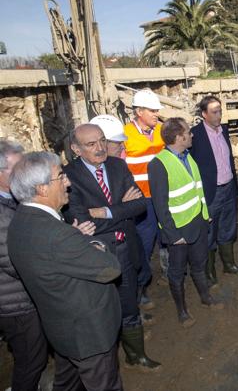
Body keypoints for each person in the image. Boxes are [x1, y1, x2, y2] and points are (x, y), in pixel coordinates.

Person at [8, 151, 123, 391]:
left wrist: (76, 240)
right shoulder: (57, 235)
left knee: (67, 384)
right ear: (42, 188)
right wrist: (93, 243)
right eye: (61, 177)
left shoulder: (21, 221)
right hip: (88, 334)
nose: (67, 182)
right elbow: (110, 268)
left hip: (61, 329)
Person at [63, 124, 161, 372]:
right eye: (91, 144)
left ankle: (136, 356)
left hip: (125, 248)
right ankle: (105, 362)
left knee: (129, 304)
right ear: (75, 149)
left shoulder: (117, 165)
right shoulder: (68, 176)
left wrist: (104, 211)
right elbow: (81, 220)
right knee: (102, 312)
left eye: (102, 140)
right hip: (95, 256)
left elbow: (140, 205)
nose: (100, 148)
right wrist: (119, 208)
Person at [148, 117, 217, 328]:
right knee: (177, 273)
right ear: (179, 137)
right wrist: (173, 235)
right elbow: (160, 206)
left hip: (197, 224)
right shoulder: (159, 164)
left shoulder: (187, 156)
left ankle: (206, 298)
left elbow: (197, 190)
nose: (192, 134)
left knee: (199, 265)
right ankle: (182, 312)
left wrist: (205, 215)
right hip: (178, 233)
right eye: (188, 131)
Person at [0, 140, 48, 391]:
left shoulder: (13, 198)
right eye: (17, 168)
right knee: (31, 360)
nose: (23, 174)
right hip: (15, 303)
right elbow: (13, 260)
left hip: (24, 295)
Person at [190, 96, 238, 286]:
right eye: (214, 111)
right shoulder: (194, 135)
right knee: (209, 233)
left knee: (228, 228)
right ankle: (209, 272)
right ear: (204, 114)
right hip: (210, 193)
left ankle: (229, 264)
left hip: (228, 188)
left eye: (220, 110)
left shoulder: (225, 131)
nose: (219, 115)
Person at [124, 89, 166, 310]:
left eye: (157, 110)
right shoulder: (125, 135)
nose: (156, 114)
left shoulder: (161, 130)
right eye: (152, 110)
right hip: (142, 200)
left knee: (166, 236)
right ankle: (141, 289)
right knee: (144, 243)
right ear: (139, 111)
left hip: (163, 196)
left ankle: (170, 274)